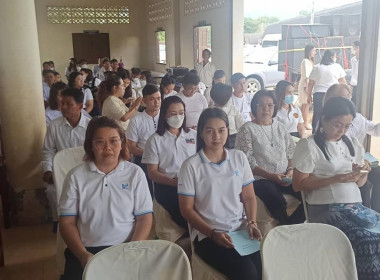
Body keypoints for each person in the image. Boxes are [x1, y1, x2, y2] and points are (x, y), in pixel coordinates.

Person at [292, 96, 380, 279]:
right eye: (338, 124)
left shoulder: (351, 143)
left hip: (355, 207)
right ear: (324, 119)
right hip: (325, 209)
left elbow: (360, 184)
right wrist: (336, 178)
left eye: (347, 126)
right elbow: (298, 184)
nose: (342, 130)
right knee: (366, 240)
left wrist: (360, 173)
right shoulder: (309, 145)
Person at [59, 116, 153, 280]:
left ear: (122, 143)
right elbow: (67, 222)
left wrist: (131, 250)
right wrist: (82, 255)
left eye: (114, 141)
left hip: (127, 247)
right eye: (100, 142)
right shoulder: (76, 176)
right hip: (87, 250)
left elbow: (144, 218)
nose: (108, 148)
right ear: (90, 146)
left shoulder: (135, 173)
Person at [178, 108, 262, 280]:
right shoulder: (191, 166)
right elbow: (186, 210)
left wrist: (252, 222)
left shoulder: (239, 157)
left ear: (228, 131)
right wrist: (211, 233)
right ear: (201, 133)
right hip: (208, 236)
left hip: (240, 231)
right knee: (247, 273)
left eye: (221, 130)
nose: (216, 136)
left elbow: (249, 197)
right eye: (210, 131)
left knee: (264, 267)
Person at [236, 90, 305, 225]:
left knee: (307, 193)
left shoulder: (280, 127)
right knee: (277, 200)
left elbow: (291, 153)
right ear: (254, 107)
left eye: (270, 105)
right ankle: (286, 229)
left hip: (285, 175)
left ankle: (291, 226)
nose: (266, 109)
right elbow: (247, 162)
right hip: (260, 178)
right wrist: (271, 176)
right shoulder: (247, 129)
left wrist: (290, 170)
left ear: (274, 107)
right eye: (261, 105)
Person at [142, 96, 197, 229]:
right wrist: (174, 182)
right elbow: (152, 173)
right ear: (164, 115)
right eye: (173, 114)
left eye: (181, 113)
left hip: (194, 185)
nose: (178, 117)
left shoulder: (193, 135)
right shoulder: (155, 140)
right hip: (168, 187)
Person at [324, 83, 380, 212]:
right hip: (340, 165)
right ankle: (363, 214)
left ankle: (376, 215)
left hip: (359, 160)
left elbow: (375, 130)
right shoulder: (327, 121)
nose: (348, 100)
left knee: (378, 174)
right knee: (364, 186)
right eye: (343, 97)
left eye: (349, 96)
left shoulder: (357, 117)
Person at [42, 88, 91, 230]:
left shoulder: (90, 126)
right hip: (61, 171)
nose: (63, 107)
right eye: (62, 103)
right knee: (51, 191)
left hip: (85, 170)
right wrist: (48, 170)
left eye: (68, 104)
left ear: (80, 106)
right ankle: (59, 221)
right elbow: (48, 150)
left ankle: (85, 220)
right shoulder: (54, 126)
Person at [126, 83, 161, 197]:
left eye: (159, 98)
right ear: (144, 100)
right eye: (152, 99)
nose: (156, 102)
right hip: (143, 159)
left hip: (164, 157)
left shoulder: (165, 117)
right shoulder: (136, 120)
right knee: (147, 192)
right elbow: (131, 147)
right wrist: (151, 155)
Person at [307, 50, 347, 133]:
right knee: (333, 114)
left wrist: (309, 95)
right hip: (334, 95)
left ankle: (315, 132)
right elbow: (343, 82)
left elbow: (310, 83)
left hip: (318, 95)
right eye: (335, 56)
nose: (335, 58)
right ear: (332, 57)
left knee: (318, 115)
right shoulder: (337, 67)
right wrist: (346, 94)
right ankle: (331, 132)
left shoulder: (317, 67)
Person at [210, 83, 244, 149]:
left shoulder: (233, 109)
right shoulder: (209, 111)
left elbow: (242, 126)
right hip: (215, 138)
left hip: (232, 139)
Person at [298, 44, 315, 130]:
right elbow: (307, 76)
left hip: (307, 83)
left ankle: (301, 122)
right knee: (306, 104)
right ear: (309, 51)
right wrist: (308, 88)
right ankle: (305, 122)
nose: (315, 52)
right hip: (306, 84)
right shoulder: (306, 61)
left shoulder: (309, 61)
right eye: (313, 50)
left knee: (305, 104)